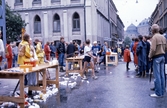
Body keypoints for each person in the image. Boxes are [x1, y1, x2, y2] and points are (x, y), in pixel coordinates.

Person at [149, 24, 167, 97]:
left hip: (156, 57)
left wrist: (150, 56)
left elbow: (153, 49)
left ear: (153, 30)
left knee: (157, 75)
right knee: (162, 75)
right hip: (162, 56)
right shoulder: (163, 37)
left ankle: (158, 93)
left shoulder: (154, 37)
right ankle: (162, 91)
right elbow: (166, 48)